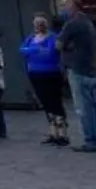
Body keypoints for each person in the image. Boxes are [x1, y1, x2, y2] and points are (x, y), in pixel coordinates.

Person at [57, 0, 96, 153]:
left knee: (84, 108)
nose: (62, 9)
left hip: (78, 68)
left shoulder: (71, 24)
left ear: (73, 6)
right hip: (90, 68)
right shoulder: (86, 22)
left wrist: (67, 47)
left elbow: (58, 45)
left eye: (65, 5)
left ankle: (91, 140)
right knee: (94, 107)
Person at [19, 13, 68, 146]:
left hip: (51, 73)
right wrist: (35, 50)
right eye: (36, 24)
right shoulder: (31, 37)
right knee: (45, 101)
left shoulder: (52, 37)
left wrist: (34, 51)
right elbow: (22, 49)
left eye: (40, 24)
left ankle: (62, 132)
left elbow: (51, 52)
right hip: (35, 73)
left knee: (55, 101)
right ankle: (52, 132)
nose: (38, 26)